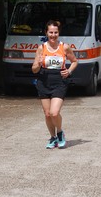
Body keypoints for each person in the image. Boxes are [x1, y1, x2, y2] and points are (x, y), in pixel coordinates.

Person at [32, 20, 78, 149]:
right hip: (44, 81)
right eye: (50, 32)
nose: (53, 35)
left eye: (55, 32)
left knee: (54, 112)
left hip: (59, 81)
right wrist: (39, 63)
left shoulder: (64, 47)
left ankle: (60, 133)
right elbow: (34, 69)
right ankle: (53, 138)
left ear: (59, 33)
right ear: (46, 33)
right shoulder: (41, 48)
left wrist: (68, 71)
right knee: (47, 113)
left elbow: (75, 61)